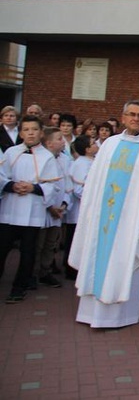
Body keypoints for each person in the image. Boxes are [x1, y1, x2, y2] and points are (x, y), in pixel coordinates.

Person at [69, 100, 139, 328]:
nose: (135, 118)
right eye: (131, 114)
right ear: (123, 118)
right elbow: (94, 180)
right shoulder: (111, 144)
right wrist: (91, 208)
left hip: (131, 222)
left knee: (124, 261)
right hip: (103, 216)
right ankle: (89, 313)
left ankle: (120, 317)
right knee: (97, 257)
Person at [0, 116, 59, 303]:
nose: (30, 133)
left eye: (34, 129)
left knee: (28, 251)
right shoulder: (10, 152)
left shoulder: (47, 157)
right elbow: (1, 176)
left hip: (32, 211)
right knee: (2, 249)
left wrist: (34, 187)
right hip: (10, 208)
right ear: (21, 132)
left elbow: (53, 186)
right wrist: (11, 185)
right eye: (26, 129)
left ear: (41, 133)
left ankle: (20, 286)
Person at [34, 126, 72, 290]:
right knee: (38, 244)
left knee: (51, 244)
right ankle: (31, 273)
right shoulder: (40, 158)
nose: (63, 141)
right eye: (59, 139)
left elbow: (67, 184)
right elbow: (41, 185)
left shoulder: (65, 160)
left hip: (58, 210)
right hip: (43, 209)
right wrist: (50, 207)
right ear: (49, 143)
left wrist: (63, 204)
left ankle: (45, 271)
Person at [64, 135, 97, 281]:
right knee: (73, 240)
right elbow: (78, 189)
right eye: (93, 143)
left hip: (90, 210)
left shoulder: (93, 161)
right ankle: (71, 269)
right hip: (79, 211)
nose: (96, 145)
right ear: (87, 149)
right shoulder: (80, 164)